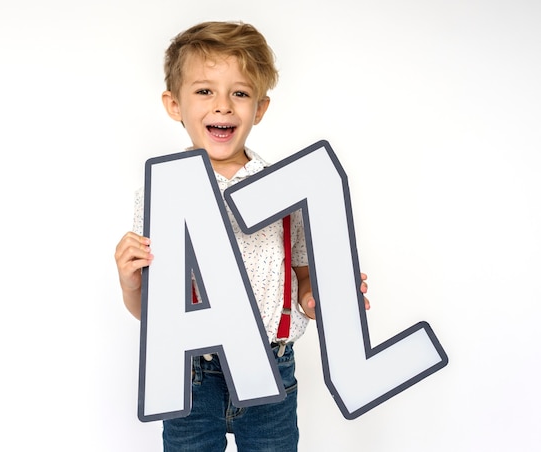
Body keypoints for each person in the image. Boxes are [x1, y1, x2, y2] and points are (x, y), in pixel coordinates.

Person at [115, 21, 370, 451]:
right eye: (204, 91)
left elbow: (304, 277)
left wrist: (319, 299)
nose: (223, 106)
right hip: (192, 378)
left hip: (272, 368)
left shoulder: (286, 189)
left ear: (260, 107)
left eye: (239, 92)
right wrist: (129, 282)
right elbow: (150, 312)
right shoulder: (161, 194)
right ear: (173, 104)